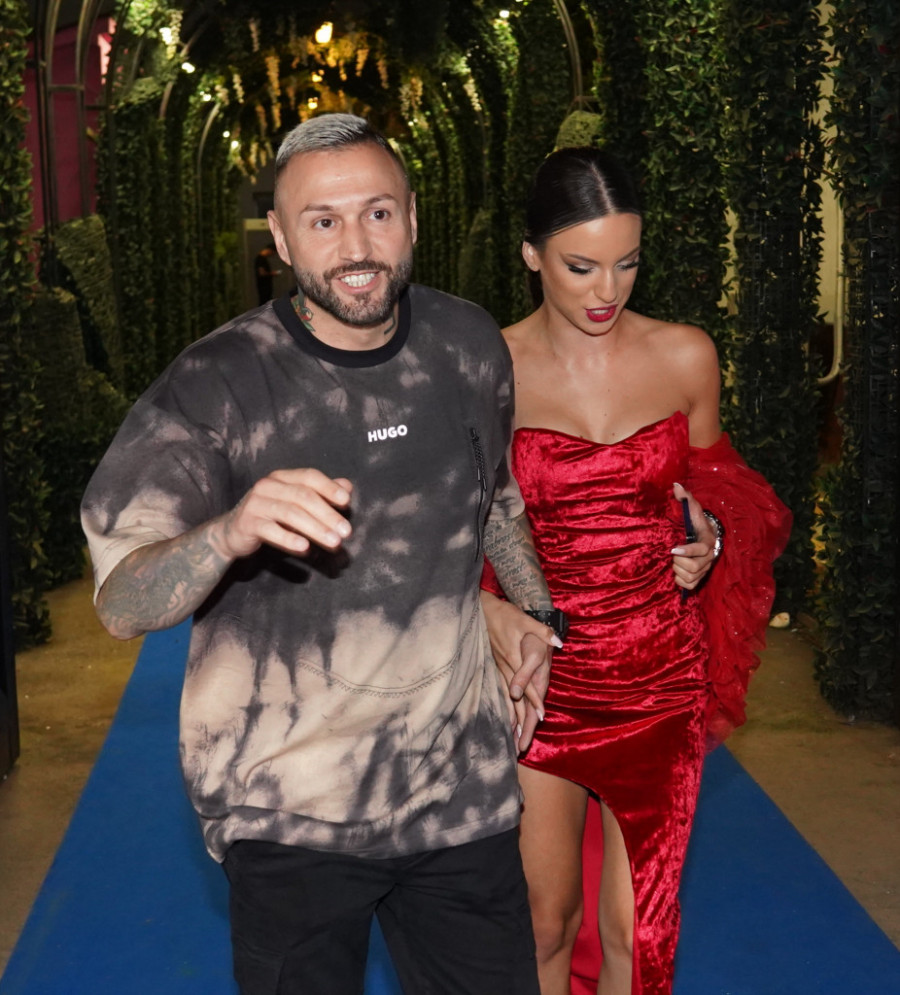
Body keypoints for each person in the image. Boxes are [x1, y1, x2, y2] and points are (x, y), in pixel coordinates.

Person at [81, 113, 559, 995]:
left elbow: (493, 494)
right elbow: (121, 601)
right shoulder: (218, 382)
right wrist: (228, 531)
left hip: (458, 788)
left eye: (377, 213)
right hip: (288, 807)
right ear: (281, 236)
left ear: (411, 216)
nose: (357, 247)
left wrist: (528, 610)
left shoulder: (467, 343)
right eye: (323, 221)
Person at [480, 146, 792, 995]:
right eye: (580, 266)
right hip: (539, 681)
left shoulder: (685, 356)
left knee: (637, 929)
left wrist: (712, 535)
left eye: (627, 263)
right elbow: (457, 527)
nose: (606, 290)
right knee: (544, 920)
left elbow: (726, 485)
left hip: (659, 677)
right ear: (532, 254)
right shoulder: (489, 370)